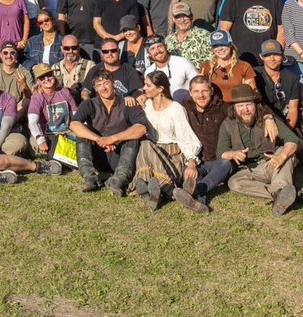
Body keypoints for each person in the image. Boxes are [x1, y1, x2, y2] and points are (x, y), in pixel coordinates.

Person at [219, 85, 302, 216]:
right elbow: (221, 152)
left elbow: (293, 140)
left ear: (255, 105)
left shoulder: (268, 120)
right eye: (240, 106)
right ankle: (284, 194)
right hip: (249, 170)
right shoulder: (227, 125)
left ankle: (280, 189)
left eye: (248, 104)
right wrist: (233, 154)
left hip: (272, 164)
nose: (245, 110)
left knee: (286, 153)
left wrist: (281, 156)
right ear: (233, 108)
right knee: (234, 183)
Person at [133, 72, 208, 213]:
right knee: (145, 145)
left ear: (160, 89)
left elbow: (185, 136)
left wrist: (191, 161)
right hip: (152, 150)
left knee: (147, 147)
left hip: (172, 153)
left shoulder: (175, 109)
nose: (144, 88)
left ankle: (163, 188)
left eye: (148, 85)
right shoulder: (146, 105)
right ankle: (149, 188)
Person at [69, 68, 147, 195]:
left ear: (113, 83)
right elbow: (74, 124)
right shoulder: (89, 104)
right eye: (99, 85)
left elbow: (141, 128)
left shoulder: (127, 103)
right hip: (96, 155)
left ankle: (118, 180)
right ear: (95, 88)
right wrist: (99, 140)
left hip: (120, 156)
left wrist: (113, 139)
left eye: (106, 83)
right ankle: (90, 177)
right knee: (82, 132)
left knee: (132, 137)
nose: (103, 88)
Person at [180, 76, 235, 207]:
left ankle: (198, 189)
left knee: (227, 164)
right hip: (197, 161)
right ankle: (199, 203)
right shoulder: (184, 108)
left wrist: (268, 118)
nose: (201, 95)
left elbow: (246, 112)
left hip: (218, 160)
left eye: (204, 91)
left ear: (211, 91)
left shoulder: (223, 108)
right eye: (196, 91)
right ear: (190, 93)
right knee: (190, 175)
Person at [218, 0, 284, 65]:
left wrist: (278, 54)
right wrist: (228, 57)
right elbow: (224, 31)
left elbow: (281, 31)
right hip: (240, 60)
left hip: (268, 60)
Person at [26, 64, 77, 159]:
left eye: (49, 75)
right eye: (42, 77)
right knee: (43, 147)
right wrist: (41, 140)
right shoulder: (36, 98)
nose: (47, 79)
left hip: (66, 132)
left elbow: (76, 114)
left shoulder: (65, 92)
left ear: (53, 75)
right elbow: (32, 122)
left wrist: (77, 130)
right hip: (47, 135)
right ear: (38, 81)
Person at [256, 39, 303, 130]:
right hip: (262, 123)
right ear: (261, 57)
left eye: (276, 54)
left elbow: (293, 110)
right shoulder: (255, 75)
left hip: (287, 125)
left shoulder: (292, 78)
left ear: (282, 55)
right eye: (267, 55)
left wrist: (287, 132)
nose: (272, 58)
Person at [201, 29, 257, 100]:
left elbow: (253, 94)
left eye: (223, 44)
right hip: (214, 106)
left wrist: (246, 90)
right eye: (216, 46)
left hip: (237, 105)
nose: (220, 48)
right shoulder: (206, 66)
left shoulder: (244, 66)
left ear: (230, 45)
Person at [166, 2, 212, 69]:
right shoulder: (168, 40)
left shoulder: (205, 36)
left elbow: (213, 59)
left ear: (191, 17)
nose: (182, 20)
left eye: (185, 16)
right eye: (178, 17)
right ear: (173, 19)